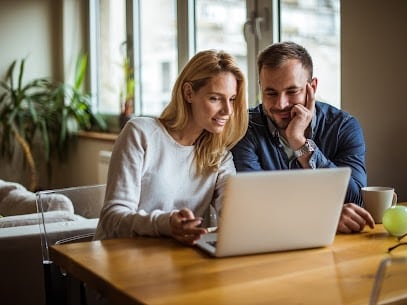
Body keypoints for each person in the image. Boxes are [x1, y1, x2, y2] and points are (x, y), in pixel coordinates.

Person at [95, 50, 248, 245]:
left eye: (232, 99)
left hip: (175, 260)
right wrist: (165, 223)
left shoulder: (220, 156)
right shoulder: (141, 134)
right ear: (188, 93)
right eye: (215, 98)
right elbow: (112, 218)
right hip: (119, 257)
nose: (227, 110)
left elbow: (233, 211)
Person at [231, 41, 375, 234]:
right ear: (260, 87)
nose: (281, 104)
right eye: (271, 92)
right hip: (269, 241)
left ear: (312, 87)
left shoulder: (343, 127)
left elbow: (356, 201)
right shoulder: (245, 127)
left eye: (292, 91)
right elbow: (254, 204)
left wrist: (299, 142)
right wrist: (325, 216)